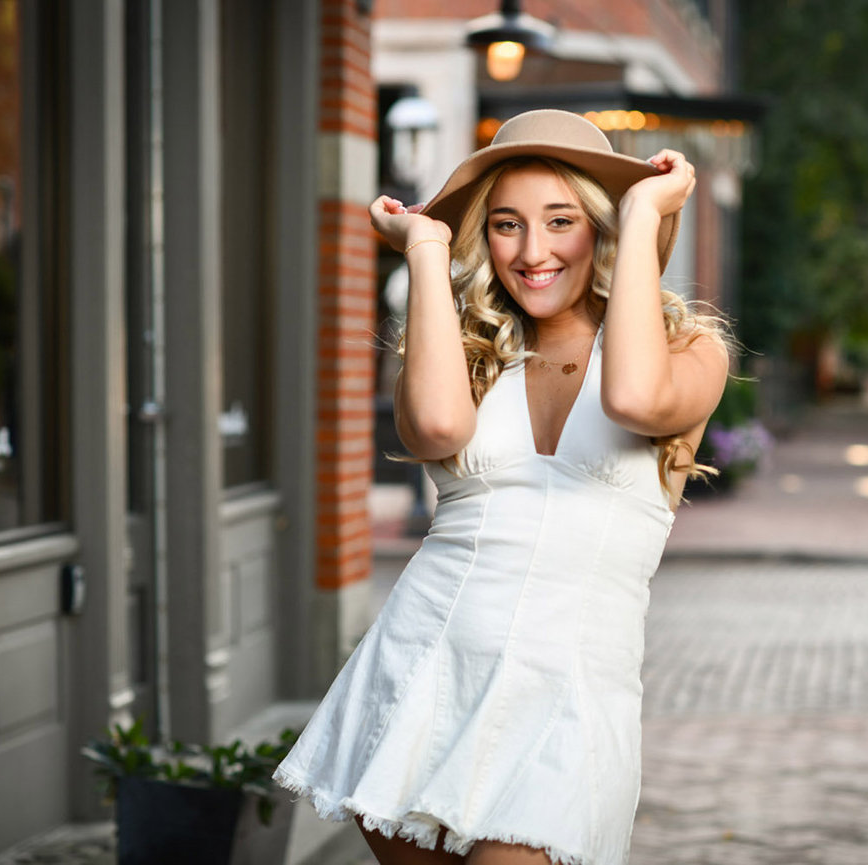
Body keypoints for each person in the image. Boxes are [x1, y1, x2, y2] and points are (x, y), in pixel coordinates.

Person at [274, 109, 730, 865]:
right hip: (426, 672)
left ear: (603, 229)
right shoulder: (470, 350)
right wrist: (425, 250)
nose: (533, 251)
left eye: (562, 220)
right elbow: (437, 431)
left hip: (569, 697)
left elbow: (635, 401)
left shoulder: (691, 350)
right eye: (507, 225)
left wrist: (645, 210)